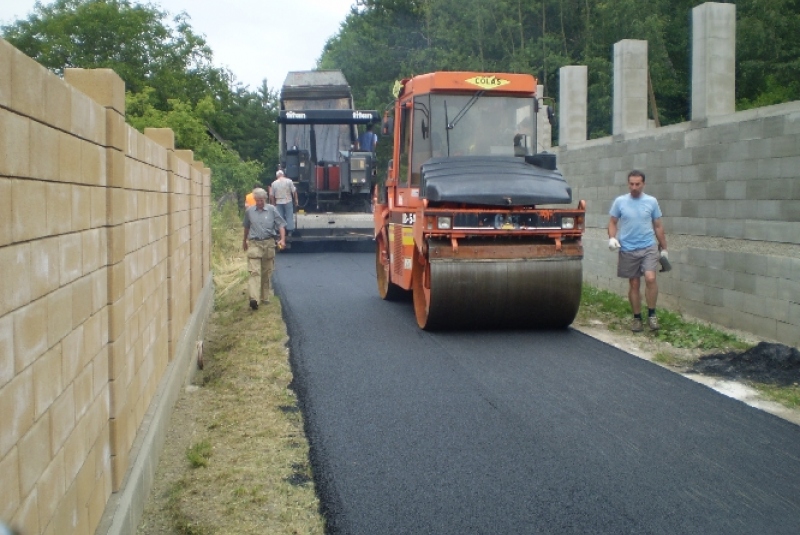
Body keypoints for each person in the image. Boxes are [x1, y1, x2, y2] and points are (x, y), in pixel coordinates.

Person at [608, 170, 668, 332]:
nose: (634, 187)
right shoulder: (620, 202)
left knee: (650, 278)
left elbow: (658, 225)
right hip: (627, 248)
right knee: (634, 283)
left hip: (648, 246)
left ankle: (652, 315)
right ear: (628, 184)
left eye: (637, 184)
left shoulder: (651, 202)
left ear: (643, 184)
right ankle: (637, 318)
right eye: (631, 184)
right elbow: (613, 222)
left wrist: (664, 247)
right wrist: (612, 238)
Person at [243, 188, 286, 310]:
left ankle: (264, 297)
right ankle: (254, 299)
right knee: (254, 272)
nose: (259, 203)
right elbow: (246, 227)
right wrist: (244, 241)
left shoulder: (272, 210)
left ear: (265, 200)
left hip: (268, 243)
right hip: (254, 243)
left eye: (261, 200)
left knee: (266, 272)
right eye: (257, 200)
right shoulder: (249, 212)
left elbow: (281, 224)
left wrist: (282, 239)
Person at [270, 169, 298, 235]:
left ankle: (280, 231)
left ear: (277, 176)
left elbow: (271, 195)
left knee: (280, 217)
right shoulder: (289, 181)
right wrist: (296, 200)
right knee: (289, 216)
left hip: (278, 202)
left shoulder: (274, 183)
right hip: (288, 201)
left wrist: (273, 203)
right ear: (283, 175)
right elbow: (294, 191)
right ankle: (290, 231)